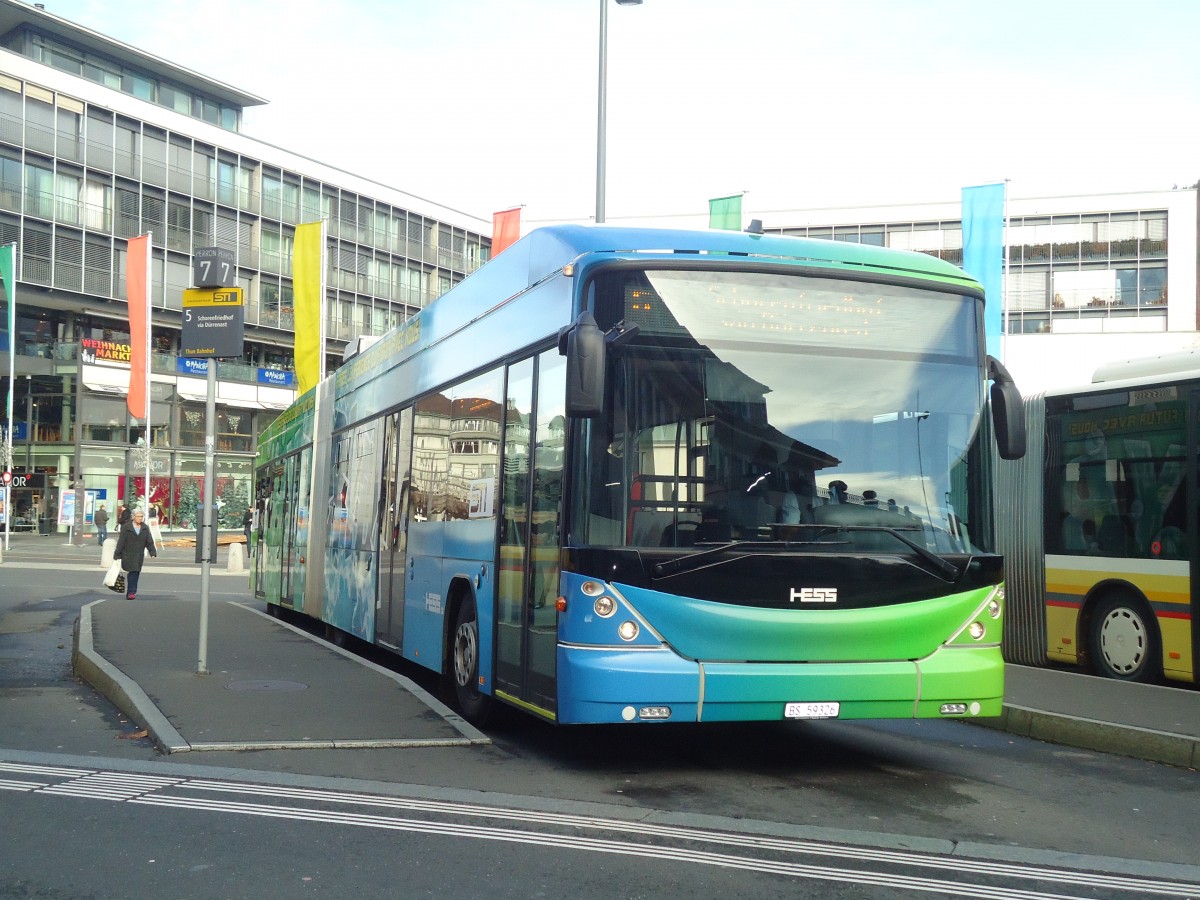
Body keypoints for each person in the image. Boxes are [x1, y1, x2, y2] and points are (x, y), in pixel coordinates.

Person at [114, 508, 157, 600]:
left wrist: (152, 552)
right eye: (138, 516)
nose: (140, 518)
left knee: (135, 572)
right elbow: (121, 541)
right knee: (133, 572)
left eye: (141, 516)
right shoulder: (127, 527)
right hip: (128, 554)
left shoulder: (145, 528)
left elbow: (149, 541)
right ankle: (131, 592)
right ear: (133, 517)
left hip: (139, 555)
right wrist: (117, 554)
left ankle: (131, 592)